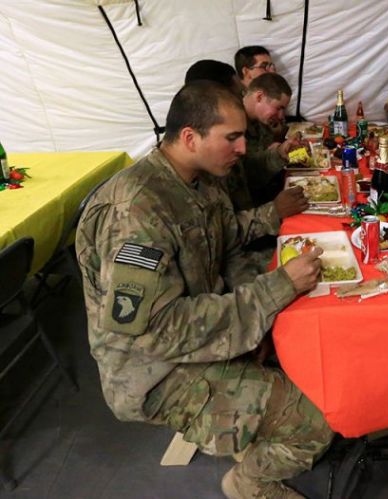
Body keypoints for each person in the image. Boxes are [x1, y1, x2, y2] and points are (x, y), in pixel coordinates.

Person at [76, 81, 333, 499]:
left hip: (190, 338)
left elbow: (220, 234)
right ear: (191, 137)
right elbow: (154, 331)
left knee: (300, 350)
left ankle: (244, 430)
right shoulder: (137, 211)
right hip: (155, 372)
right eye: (231, 138)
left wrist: (270, 220)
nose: (243, 149)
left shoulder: (197, 179)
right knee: (317, 422)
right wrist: (273, 291)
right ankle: (250, 484)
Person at [183, 61, 308, 265]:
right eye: (235, 96)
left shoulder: (211, 154)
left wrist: (279, 153)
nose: (241, 148)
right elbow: (217, 242)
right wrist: (273, 211)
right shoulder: (160, 192)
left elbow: (247, 172)